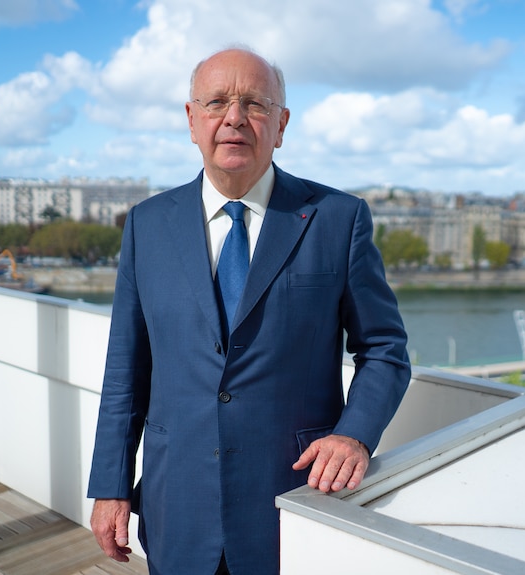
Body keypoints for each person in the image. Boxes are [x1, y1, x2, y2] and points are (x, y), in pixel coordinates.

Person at [87, 47, 411, 575]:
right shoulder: (146, 225)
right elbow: (126, 369)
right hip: (177, 505)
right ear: (192, 121)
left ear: (281, 125)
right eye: (216, 102)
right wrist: (110, 486)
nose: (234, 117)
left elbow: (385, 351)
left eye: (254, 104)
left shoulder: (338, 219)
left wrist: (355, 434)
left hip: (295, 499)